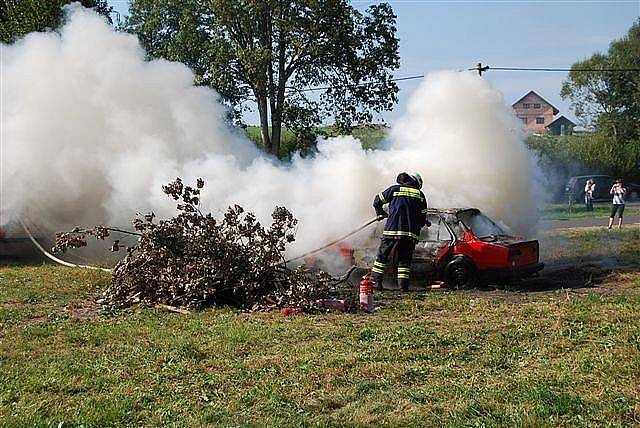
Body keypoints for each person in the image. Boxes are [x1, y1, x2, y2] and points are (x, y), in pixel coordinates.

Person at [371, 172, 429, 292]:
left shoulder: (394, 189)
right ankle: (403, 287)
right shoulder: (420, 195)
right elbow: (422, 217)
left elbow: (377, 201)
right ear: (417, 182)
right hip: (409, 234)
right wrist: (420, 223)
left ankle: (376, 283)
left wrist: (380, 213)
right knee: (404, 260)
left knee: (382, 257)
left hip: (392, 230)